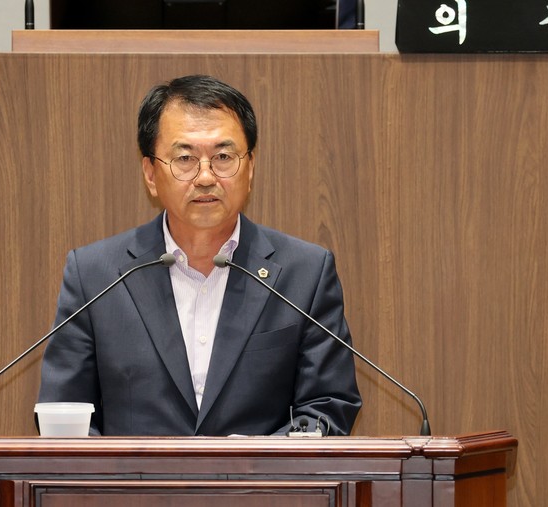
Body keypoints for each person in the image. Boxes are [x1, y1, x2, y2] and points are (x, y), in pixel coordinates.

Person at [37, 75, 361, 436]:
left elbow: (327, 408)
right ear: (150, 173)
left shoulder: (306, 273)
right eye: (185, 158)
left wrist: (253, 460)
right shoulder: (95, 276)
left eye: (223, 157)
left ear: (250, 167)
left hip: (260, 476)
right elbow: (63, 417)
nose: (205, 177)